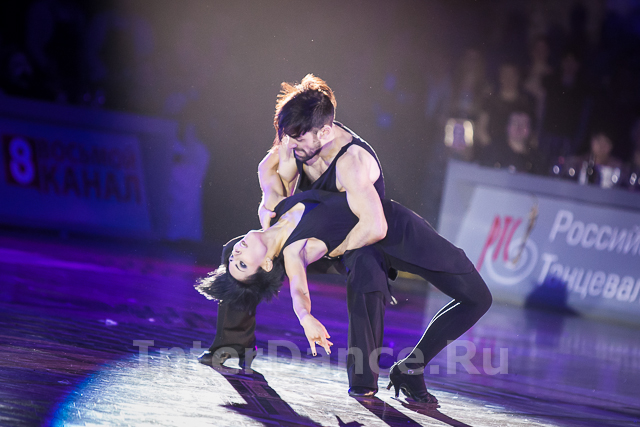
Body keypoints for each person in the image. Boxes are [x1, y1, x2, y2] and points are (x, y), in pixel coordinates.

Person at [196, 188, 492, 404]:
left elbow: (276, 165)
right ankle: (234, 341)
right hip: (373, 241)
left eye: (236, 260)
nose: (236, 253)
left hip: (391, 225)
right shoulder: (293, 251)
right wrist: (305, 317)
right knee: (367, 281)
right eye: (242, 263)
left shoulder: (275, 209)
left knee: (477, 298)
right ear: (266, 264)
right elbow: (299, 288)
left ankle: (410, 368)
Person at [199, 74, 392, 398]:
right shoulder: (281, 154)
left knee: (367, 270)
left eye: (296, 136)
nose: (291, 142)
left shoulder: (348, 157)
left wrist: (337, 249)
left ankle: (363, 377)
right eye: (286, 135)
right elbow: (274, 196)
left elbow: (373, 223)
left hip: (354, 234)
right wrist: (276, 195)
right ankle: (234, 343)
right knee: (237, 253)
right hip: (305, 239)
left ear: (319, 132)